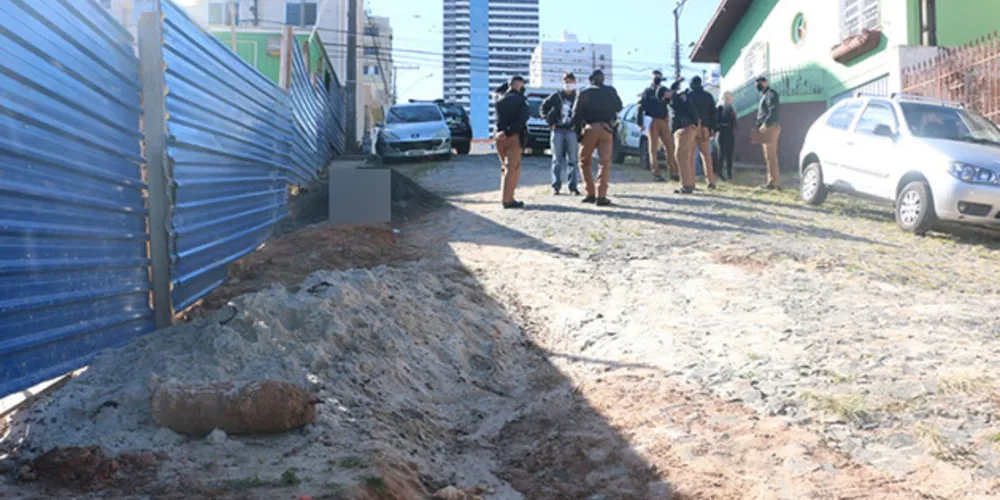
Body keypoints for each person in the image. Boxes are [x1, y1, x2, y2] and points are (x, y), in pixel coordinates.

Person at [572, 69, 623, 207]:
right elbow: (619, 107)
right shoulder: (611, 91)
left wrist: (578, 133)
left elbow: (576, 114)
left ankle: (590, 193)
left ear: (590, 80)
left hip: (590, 128)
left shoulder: (584, 93)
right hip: (607, 129)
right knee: (605, 162)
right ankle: (602, 195)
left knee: (584, 161)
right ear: (603, 79)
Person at [494, 76, 530, 209]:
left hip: (499, 137)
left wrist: (502, 132)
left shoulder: (499, 98)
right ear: (519, 84)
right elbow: (522, 120)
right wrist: (508, 132)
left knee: (505, 168)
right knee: (512, 169)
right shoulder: (521, 100)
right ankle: (508, 200)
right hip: (513, 137)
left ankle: (507, 196)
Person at [636, 70, 679, 182]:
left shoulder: (664, 90)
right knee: (653, 148)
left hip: (664, 120)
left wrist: (677, 83)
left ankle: (673, 173)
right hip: (652, 121)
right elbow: (640, 107)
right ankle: (656, 174)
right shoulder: (647, 91)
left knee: (670, 146)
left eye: (659, 76)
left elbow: (671, 93)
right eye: (655, 76)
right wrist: (640, 122)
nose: (657, 78)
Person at [542, 73, 580, 195]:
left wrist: (579, 126)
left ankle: (573, 187)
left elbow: (583, 112)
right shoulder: (556, 96)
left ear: (575, 82)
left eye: (571, 81)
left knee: (573, 160)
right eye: (566, 81)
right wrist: (550, 122)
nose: (568, 84)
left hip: (571, 130)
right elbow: (543, 108)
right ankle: (556, 186)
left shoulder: (578, 97)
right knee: (557, 159)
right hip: (557, 130)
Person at [687, 75, 718, 190]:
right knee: (706, 156)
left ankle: (691, 181)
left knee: (691, 155)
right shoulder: (708, 96)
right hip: (705, 128)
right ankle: (711, 182)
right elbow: (713, 113)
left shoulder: (689, 96)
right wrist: (713, 129)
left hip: (692, 127)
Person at [669, 79, 699, 194]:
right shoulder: (685, 99)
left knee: (681, 156)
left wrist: (675, 85)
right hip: (689, 128)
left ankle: (686, 185)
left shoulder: (678, 100)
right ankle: (689, 183)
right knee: (687, 156)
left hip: (683, 128)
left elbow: (673, 95)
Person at [756, 76, 781, 189]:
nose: (757, 85)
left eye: (759, 83)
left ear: (765, 83)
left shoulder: (771, 94)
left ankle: (773, 183)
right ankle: (770, 181)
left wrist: (765, 123)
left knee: (771, 155)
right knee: (767, 156)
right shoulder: (763, 96)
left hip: (769, 127)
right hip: (764, 128)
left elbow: (773, 109)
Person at [716, 91, 737, 181]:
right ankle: (719, 173)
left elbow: (734, 120)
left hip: (730, 133)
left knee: (730, 154)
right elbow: (717, 121)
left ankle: (729, 173)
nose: (728, 99)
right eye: (727, 97)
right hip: (722, 133)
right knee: (722, 154)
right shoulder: (720, 108)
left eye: (730, 97)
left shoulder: (731, 108)